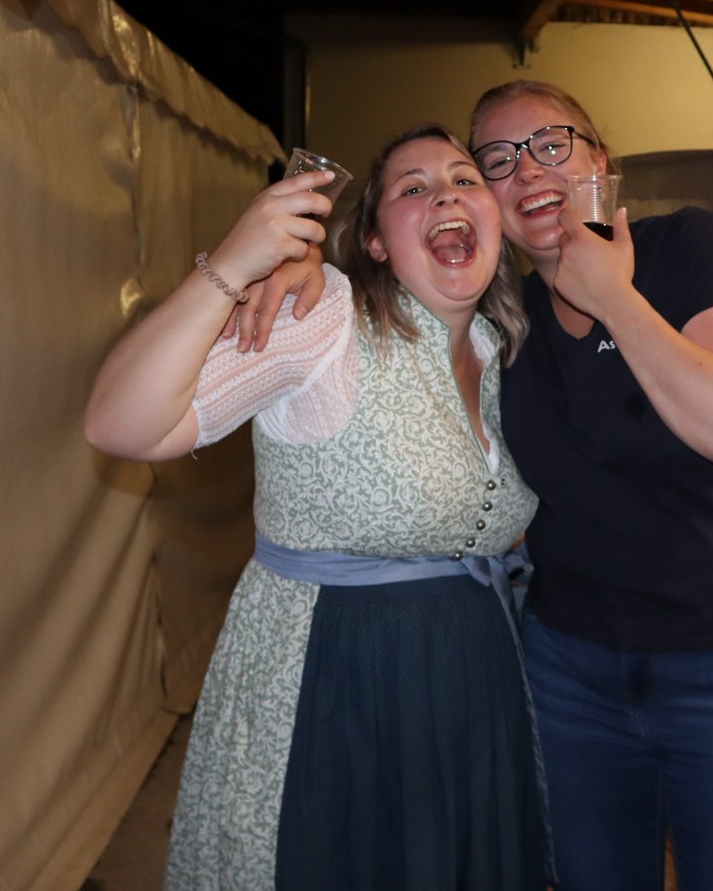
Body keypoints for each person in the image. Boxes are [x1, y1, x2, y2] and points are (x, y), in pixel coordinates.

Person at [83, 125, 547, 891]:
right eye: (414, 188)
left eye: (464, 179)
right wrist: (233, 265)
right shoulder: (326, 316)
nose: (445, 194)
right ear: (374, 243)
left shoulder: (504, 350)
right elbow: (119, 425)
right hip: (336, 685)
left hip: (471, 679)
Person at [468, 81, 713, 891]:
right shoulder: (503, 319)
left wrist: (614, 300)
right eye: (499, 159)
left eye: (551, 144)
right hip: (573, 669)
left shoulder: (688, 248)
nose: (529, 169)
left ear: (601, 162)